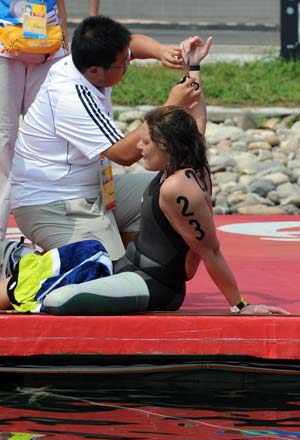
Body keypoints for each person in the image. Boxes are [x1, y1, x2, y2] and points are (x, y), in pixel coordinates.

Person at [0, 105, 289, 316]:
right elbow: (196, 121)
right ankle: (14, 257)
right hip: (124, 266)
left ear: (168, 146)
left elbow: (210, 250)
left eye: (146, 141)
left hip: (152, 285)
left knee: (57, 299)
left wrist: (241, 306)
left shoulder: (178, 189)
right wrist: (193, 68)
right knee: (34, 266)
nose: (139, 147)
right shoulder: (189, 159)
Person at [9, 16, 207, 262]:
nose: (128, 64)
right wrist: (170, 105)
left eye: (127, 58)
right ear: (95, 71)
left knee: (181, 189)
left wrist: (161, 51)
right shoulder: (71, 96)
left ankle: (130, 260)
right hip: (55, 204)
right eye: (123, 63)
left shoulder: (87, 60)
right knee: (103, 279)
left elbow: (132, 44)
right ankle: (18, 260)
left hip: (94, 190)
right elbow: (124, 154)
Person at [0, 0, 68, 243]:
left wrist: (64, 45)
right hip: (4, 41)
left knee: (44, 138)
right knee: (4, 138)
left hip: (48, 45)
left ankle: (46, 229)